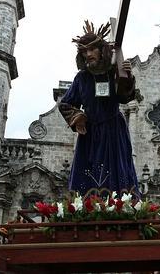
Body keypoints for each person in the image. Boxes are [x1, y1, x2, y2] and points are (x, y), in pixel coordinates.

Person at [58, 20, 138, 196]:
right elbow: (65, 103)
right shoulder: (82, 78)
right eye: (84, 51)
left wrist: (128, 77)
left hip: (114, 130)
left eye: (92, 49)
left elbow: (125, 98)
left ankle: (120, 206)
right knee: (89, 173)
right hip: (91, 133)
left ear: (102, 50)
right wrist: (78, 116)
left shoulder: (113, 72)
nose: (88, 54)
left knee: (118, 172)